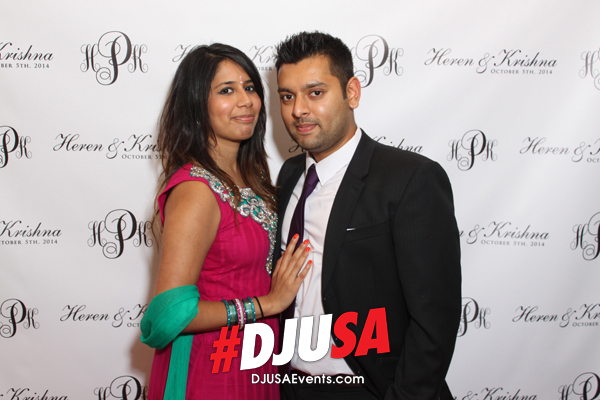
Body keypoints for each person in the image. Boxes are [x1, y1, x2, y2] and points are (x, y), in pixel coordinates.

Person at [274, 32, 462, 400]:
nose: (298, 110)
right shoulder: (290, 174)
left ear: (352, 92)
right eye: (287, 96)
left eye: (315, 93)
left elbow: (434, 321)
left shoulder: (411, 178)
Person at [140, 43, 312, 400]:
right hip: (209, 371)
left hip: (254, 360)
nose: (245, 101)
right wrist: (267, 304)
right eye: (226, 91)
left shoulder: (255, 179)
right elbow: (170, 313)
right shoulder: (196, 190)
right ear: (196, 105)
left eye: (249, 87)